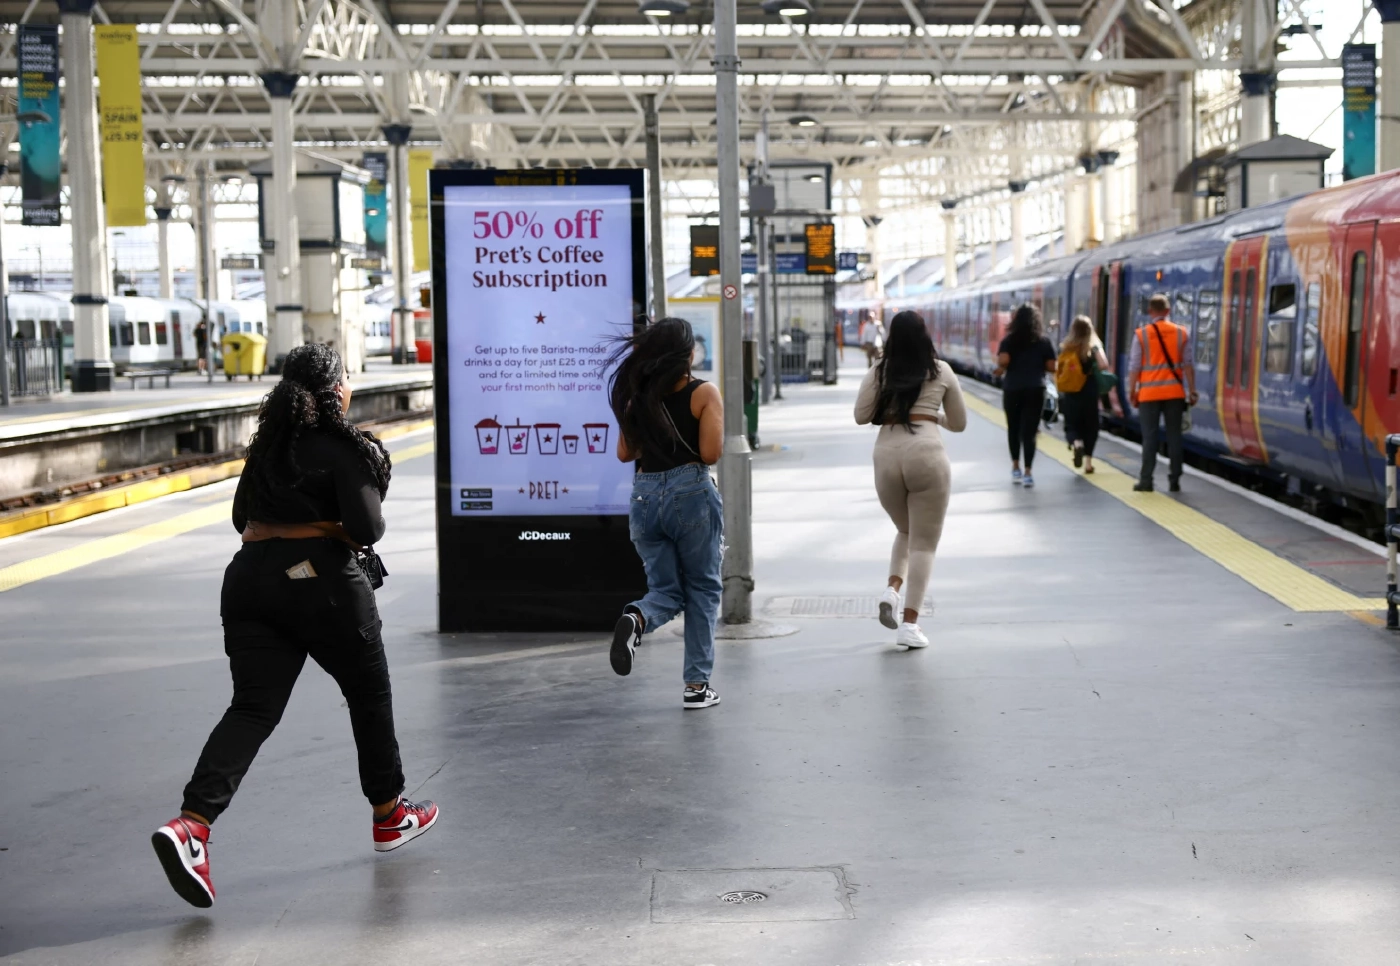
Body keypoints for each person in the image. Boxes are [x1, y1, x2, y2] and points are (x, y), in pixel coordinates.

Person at [151, 343, 437, 909]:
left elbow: (241, 517)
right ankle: (389, 815)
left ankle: (192, 827)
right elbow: (368, 527)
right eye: (349, 376)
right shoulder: (341, 445)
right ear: (336, 391)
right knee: (368, 694)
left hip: (249, 580)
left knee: (252, 708)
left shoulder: (269, 447)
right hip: (322, 585)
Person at [606, 317, 725, 709]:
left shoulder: (635, 397)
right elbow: (710, 453)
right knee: (703, 588)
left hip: (644, 497)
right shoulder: (703, 393)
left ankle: (638, 618)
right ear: (688, 354)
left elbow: (625, 454)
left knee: (665, 592)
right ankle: (696, 687)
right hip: (690, 492)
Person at [855, 310, 967, 649]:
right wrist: (933, 414)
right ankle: (910, 624)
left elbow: (861, 416)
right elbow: (959, 423)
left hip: (886, 457)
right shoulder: (941, 370)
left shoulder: (879, 369)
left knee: (905, 531)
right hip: (927, 455)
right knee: (923, 544)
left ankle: (892, 589)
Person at [1129, 293, 1197, 492]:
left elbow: (1135, 367)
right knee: (1174, 436)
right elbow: (1188, 365)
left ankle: (1146, 480)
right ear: (1168, 311)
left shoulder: (1141, 335)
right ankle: (1174, 479)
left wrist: (1132, 391)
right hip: (1174, 394)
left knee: (1150, 438)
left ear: (1150, 312)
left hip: (1148, 395)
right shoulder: (1181, 333)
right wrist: (1192, 391)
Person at [994, 303, 1056, 488]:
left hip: (1013, 389)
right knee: (1029, 432)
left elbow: (1003, 361)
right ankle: (1028, 472)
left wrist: (1001, 368)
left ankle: (1015, 467)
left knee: (1013, 428)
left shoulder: (1008, 341)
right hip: (1035, 389)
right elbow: (1052, 367)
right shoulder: (1044, 342)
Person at [1057, 315, 1109, 475]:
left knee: (1072, 424)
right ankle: (1088, 463)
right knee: (1091, 426)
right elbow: (1103, 364)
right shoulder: (1093, 346)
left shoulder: (1067, 346)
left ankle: (1077, 443)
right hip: (1089, 390)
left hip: (1071, 391)